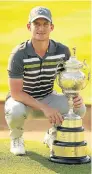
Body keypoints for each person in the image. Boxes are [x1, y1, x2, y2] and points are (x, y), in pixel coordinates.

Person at [5, 6, 86, 155]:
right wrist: (44, 108)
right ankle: (16, 138)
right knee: (15, 111)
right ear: (29, 27)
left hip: (47, 96)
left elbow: (66, 81)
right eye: (37, 24)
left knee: (78, 108)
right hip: (22, 101)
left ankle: (52, 134)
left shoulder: (62, 51)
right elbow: (16, 93)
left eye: (45, 24)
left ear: (51, 27)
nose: (41, 28)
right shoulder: (18, 54)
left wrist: (74, 96)